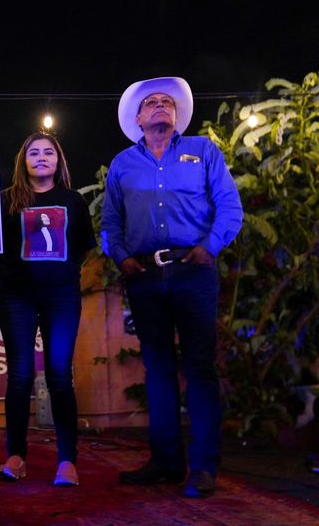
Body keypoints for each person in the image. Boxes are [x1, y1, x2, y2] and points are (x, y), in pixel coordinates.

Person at [102, 77, 243, 498]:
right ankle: (165, 461)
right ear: (138, 118)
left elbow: (229, 205)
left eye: (167, 102)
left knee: (199, 369)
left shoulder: (203, 151)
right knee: (158, 370)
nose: (161, 106)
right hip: (144, 276)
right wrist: (122, 257)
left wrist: (210, 248)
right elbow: (111, 222)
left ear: (177, 115)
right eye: (152, 103)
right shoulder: (123, 164)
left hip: (193, 271)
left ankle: (202, 468)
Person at [0, 132, 96, 486]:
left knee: (58, 375)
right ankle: (15, 455)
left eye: (48, 152)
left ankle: (67, 461)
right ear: (23, 161)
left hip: (61, 296)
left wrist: (61, 272)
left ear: (58, 160)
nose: (40, 157)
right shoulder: (7, 201)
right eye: (33, 152)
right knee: (19, 376)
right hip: (16, 296)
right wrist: (14, 273)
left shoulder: (72, 200)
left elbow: (83, 247)